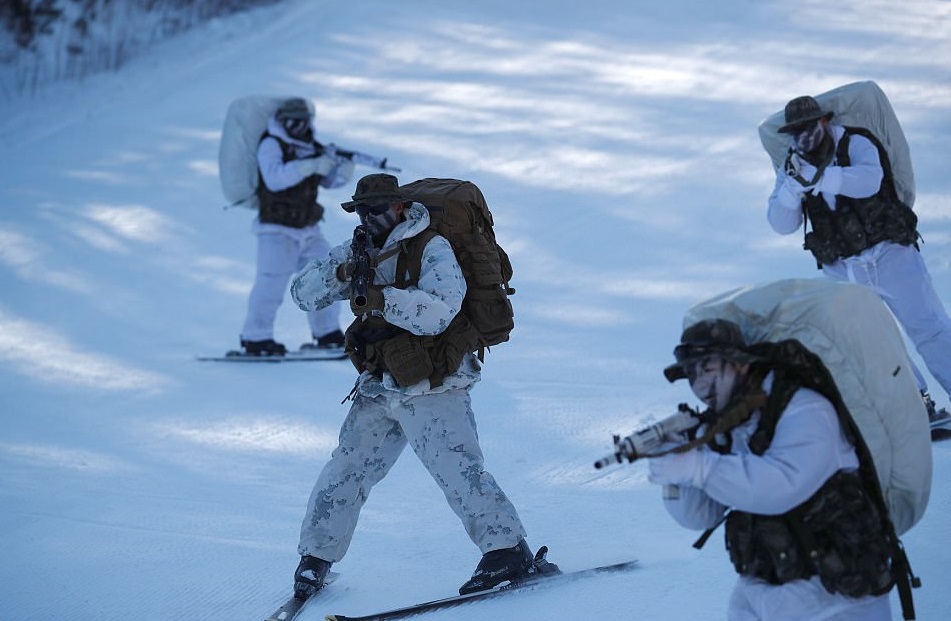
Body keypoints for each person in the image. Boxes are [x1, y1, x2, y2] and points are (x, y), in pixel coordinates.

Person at [287, 173, 556, 599]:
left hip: (434, 383)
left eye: (377, 209)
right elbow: (301, 294)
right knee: (347, 467)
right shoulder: (359, 249)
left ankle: (509, 552)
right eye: (361, 210)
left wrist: (381, 299)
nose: (368, 218)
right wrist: (341, 272)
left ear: (399, 206)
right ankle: (315, 558)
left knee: (456, 469)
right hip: (380, 383)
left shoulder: (431, 246)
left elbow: (440, 312)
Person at [648, 319, 895, 620]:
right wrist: (675, 476)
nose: (699, 384)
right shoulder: (727, 423)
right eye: (691, 373)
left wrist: (699, 467)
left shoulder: (805, 408)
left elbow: (782, 486)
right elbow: (701, 515)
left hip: (836, 598)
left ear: (740, 365)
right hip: (759, 590)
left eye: (708, 368)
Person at [766, 94, 951, 425]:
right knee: (880, 343)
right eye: (796, 132)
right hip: (845, 269)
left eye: (808, 128)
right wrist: (792, 189)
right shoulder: (791, 168)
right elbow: (781, 224)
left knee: (928, 327)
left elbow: (870, 181)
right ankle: (917, 408)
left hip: (891, 254)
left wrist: (820, 178)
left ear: (824, 121)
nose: (803, 137)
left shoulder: (856, 143)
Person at [238, 97, 353, 356]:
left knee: (326, 277)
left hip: (309, 229)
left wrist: (341, 170)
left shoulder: (310, 146)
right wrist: (309, 165)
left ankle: (328, 333)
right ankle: (256, 337)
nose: (298, 126)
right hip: (276, 229)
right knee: (270, 284)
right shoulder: (271, 144)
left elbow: (327, 181)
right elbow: (275, 178)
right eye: (293, 121)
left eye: (303, 121)